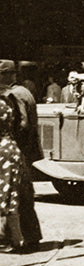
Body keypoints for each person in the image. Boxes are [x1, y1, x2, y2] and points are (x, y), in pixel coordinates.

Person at [0, 60, 41, 252]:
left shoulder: (13, 94)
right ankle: (31, 236)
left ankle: (14, 239)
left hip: (17, 150)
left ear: (7, 76)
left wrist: (10, 137)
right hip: (24, 150)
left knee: (14, 196)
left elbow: (23, 123)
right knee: (23, 195)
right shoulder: (25, 91)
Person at [0, 98, 32, 252]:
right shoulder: (5, 101)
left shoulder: (2, 104)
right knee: (9, 194)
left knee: (7, 195)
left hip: (4, 153)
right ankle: (16, 238)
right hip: (9, 150)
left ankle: (17, 239)